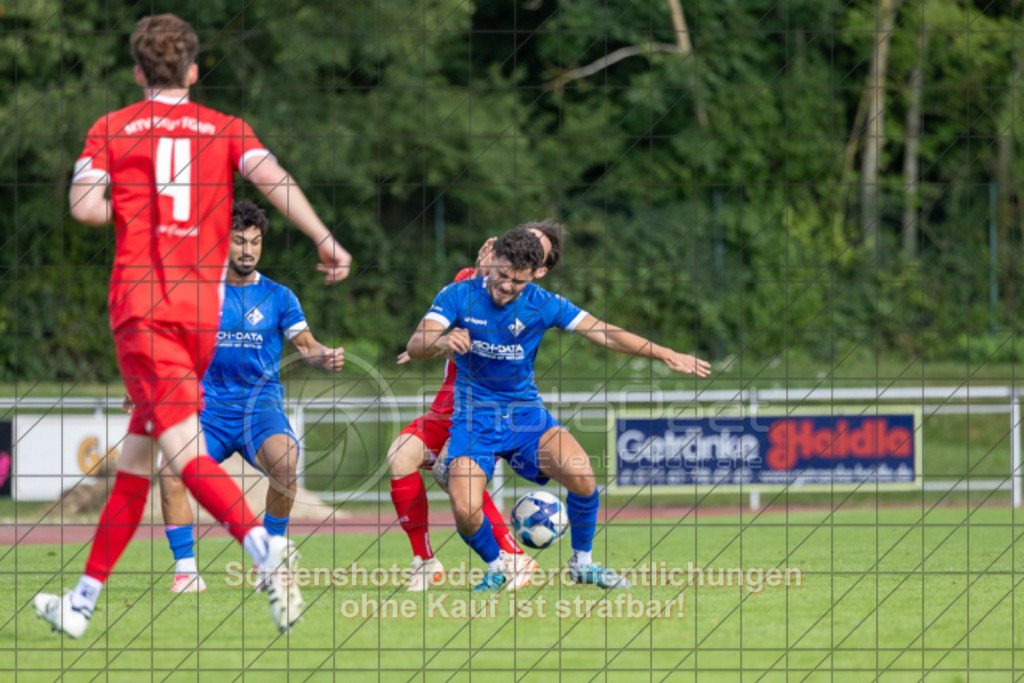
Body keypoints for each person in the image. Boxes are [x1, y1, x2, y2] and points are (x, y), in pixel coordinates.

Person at [34, 14, 351, 637]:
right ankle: (81, 601)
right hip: (199, 312)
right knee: (137, 461)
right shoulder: (223, 128)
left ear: (137, 72)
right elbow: (273, 177)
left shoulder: (113, 128)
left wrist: (135, 199)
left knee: (181, 455)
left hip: (143, 306)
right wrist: (325, 238)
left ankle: (266, 549)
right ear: (194, 71)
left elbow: (84, 208)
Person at [406, 226, 711, 591]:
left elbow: (604, 332)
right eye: (500, 274)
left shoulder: (543, 303)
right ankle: (498, 563)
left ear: (537, 273)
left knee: (582, 475)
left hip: (526, 416)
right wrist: (442, 343)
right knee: (465, 509)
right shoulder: (459, 294)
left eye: (516, 281)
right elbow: (417, 342)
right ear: (493, 261)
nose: (505, 286)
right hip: (475, 421)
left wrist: (665, 353)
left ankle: (583, 563)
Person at [157, 200, 345, 593]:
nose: (248, 250)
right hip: (206, 409)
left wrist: (323, 355)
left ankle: (271, 560)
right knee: (171, 471)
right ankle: (186, 571)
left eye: (255, 242)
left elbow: (305, 344)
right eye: (239, 241)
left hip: (260, 407)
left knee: (286, 462)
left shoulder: (279, 296)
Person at [389, 223, 562, 591]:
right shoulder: (467, 282)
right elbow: (437, 333)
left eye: (535, 251)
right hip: (446, 404)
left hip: (484, 407)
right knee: (400, 456)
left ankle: (512, 556)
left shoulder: (532, 302)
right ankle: (425, 561)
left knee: (455, 473)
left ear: (540, 267)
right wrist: (430, 344)